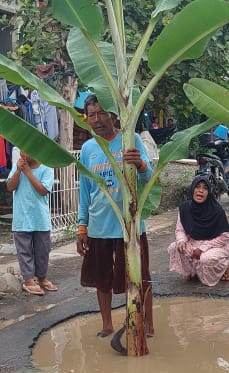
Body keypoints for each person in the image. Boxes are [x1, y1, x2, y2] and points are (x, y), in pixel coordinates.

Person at [77, 95, 155, 337]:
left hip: (130, 226)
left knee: (140, 278)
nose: (97, 119)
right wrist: (82, 228)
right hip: (99, 226)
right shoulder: (88, 149)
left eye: (101, 113)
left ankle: (148, 324)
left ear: (113, 114)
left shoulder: (130, 140)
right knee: (102, 279)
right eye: (91, 115)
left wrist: (141, 165)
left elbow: (149, 179)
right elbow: (85, 192)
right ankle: (107, 325)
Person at [5, 148, 57, 296]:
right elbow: (10, 187)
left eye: (27, 151)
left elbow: (43, 190)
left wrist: (28, 172)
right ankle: (28, 279)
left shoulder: (46, 168)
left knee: (42, 251)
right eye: (21, 151)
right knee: (24, 251)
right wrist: (19, 171)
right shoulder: (18, 166)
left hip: (40, 219)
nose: (23, 154)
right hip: (22, 218)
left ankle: (41, 277)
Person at [168, 175, 229, 287]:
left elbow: (225, 237)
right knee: (175, 247)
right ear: (193, 189)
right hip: (194, 243)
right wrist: (181, 241)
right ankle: (191, 272)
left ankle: (225, 266)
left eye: (205, 188)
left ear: (209, 192)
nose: (201, 191)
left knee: (205, 259)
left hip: (215, 246)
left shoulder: (217, 211)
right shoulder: (185, 208)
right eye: (198, 187)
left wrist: (202, 248)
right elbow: (180, 229)